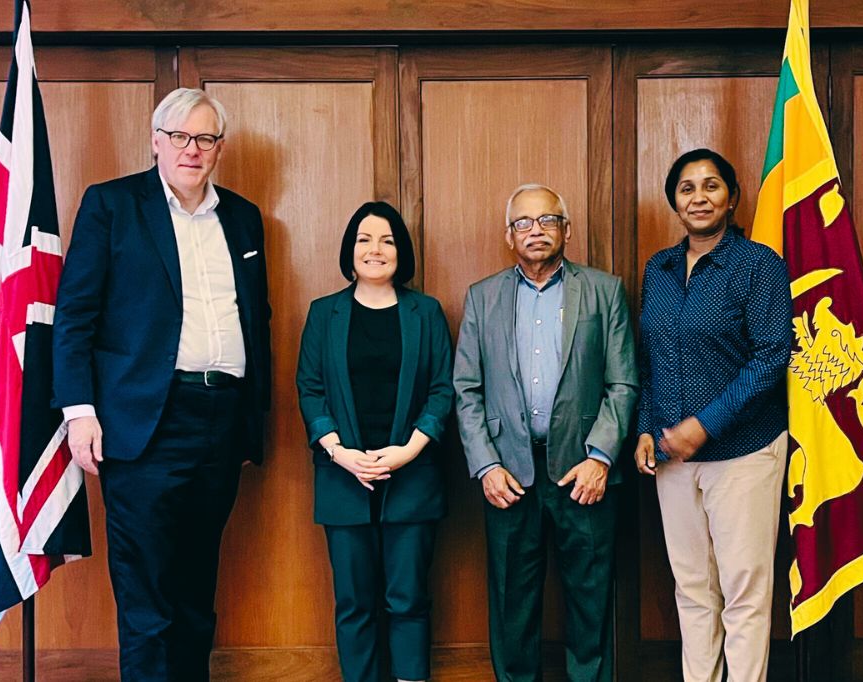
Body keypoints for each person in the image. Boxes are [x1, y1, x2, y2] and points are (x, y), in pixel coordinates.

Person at [52, 87, 271, 681]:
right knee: (147, 596)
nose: (191, 150)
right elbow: (74, 317)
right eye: (179, 137)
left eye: (204, 138)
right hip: (143, 424)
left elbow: (258, 318)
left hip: (221, 420)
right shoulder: (112, 206)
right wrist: (80, 412)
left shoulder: (244, 216)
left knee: (197, 590)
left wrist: (252, 421)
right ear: (155, 142)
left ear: (218, 148)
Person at [453, 184, 638, 681]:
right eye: (523, 223)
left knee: (590, 605)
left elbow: (622, 383)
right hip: (508, 476)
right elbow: (466, 389)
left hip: (584, 473)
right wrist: (486, 466)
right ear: (508, 236)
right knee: (513, 609)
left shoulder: (604, 291)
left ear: (567, 229)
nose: (535, 231)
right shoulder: (483, 297)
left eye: (547, 220)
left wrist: (601, 457)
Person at [634, 148, 793, 682]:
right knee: (692, 588)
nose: (698, 197)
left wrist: (704, 425)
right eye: (686, 188)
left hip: (744, 451)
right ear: (674, 202)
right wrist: (643, 430)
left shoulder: (759, 265)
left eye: (710, 186)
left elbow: (772, 356)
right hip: (671, 459)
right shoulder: (657, 269)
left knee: (745, 593)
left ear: (732, 197)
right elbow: (649, 358)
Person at [296, 201, 453, 682]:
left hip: (413, 476)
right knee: (354, 601)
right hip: (343, 477)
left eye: (386, 240)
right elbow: (310, 388)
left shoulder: (425, 312)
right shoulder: (325, 313)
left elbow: (442, 388)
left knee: (407, 598)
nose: (375, 249)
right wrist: (340, 453)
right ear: (350, 251)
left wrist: (408, 450)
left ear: (400, 252)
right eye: (364, 239)